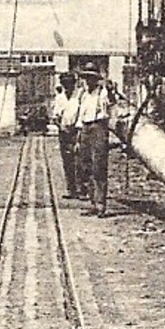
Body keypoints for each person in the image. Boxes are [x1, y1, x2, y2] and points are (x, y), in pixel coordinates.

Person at [72, 64, 117, 217]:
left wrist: (111, 90)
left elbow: (111, 103)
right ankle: (93, 201)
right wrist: (78, 139)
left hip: (99, 128)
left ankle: (100, 204)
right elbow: (80, 117)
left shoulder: (103, 92)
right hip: (85, 129)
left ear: (97, 79)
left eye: (92, 78)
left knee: (99, 166)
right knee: (86, 166)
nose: (89, 81)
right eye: (87, 78)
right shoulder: (84, 95)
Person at [50, 71, 82, 198]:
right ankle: (71, 189)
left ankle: (81, 189)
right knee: (67, 161)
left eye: (70, 84)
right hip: (64, 132)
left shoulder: (79, 96)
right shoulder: (60, 98)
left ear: (74, 84)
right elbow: (55, 117)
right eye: (65, 84)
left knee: (79, 160)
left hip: (77, 130)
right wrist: (61, 127)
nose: (68, 87)